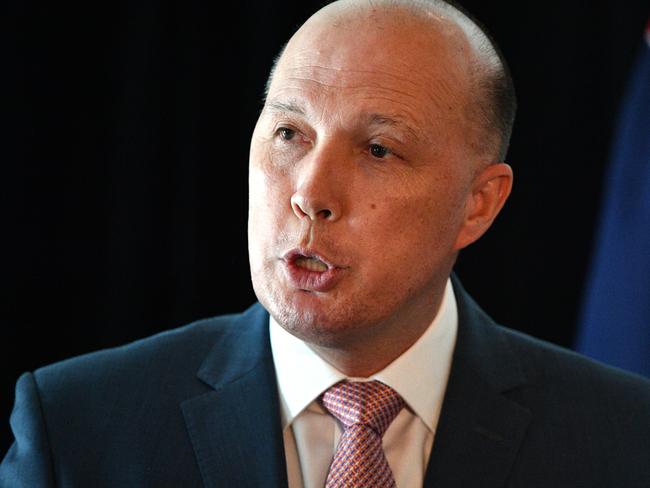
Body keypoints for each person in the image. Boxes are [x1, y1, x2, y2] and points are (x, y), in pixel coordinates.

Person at [2, 0, 649, 486]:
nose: (310, 193)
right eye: (289, 133)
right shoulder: (77, 429)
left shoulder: (624, 439)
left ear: (478, 203)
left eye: (377, 149)